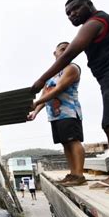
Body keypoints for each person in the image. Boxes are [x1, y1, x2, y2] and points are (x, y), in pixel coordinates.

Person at [30, 0, 109, 194]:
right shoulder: (95, 23)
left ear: (89, 4)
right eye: (68, 13)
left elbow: (69, 54)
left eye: (75, 9)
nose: (72, 15)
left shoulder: (95, 22)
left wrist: (41, 79)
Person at [28, 42, 86, 186]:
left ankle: (79, 175)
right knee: (65, 143)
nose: (65, 50)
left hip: (69, 112)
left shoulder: (72, 68)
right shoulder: (51, 75)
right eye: (61, 49)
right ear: (55, 53)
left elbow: (58, 89)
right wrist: (35, 111)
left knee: (73, 141)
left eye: (68, 48)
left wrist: (36, 102)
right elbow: (45, 94)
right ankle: (73, 174)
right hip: (55, 115)